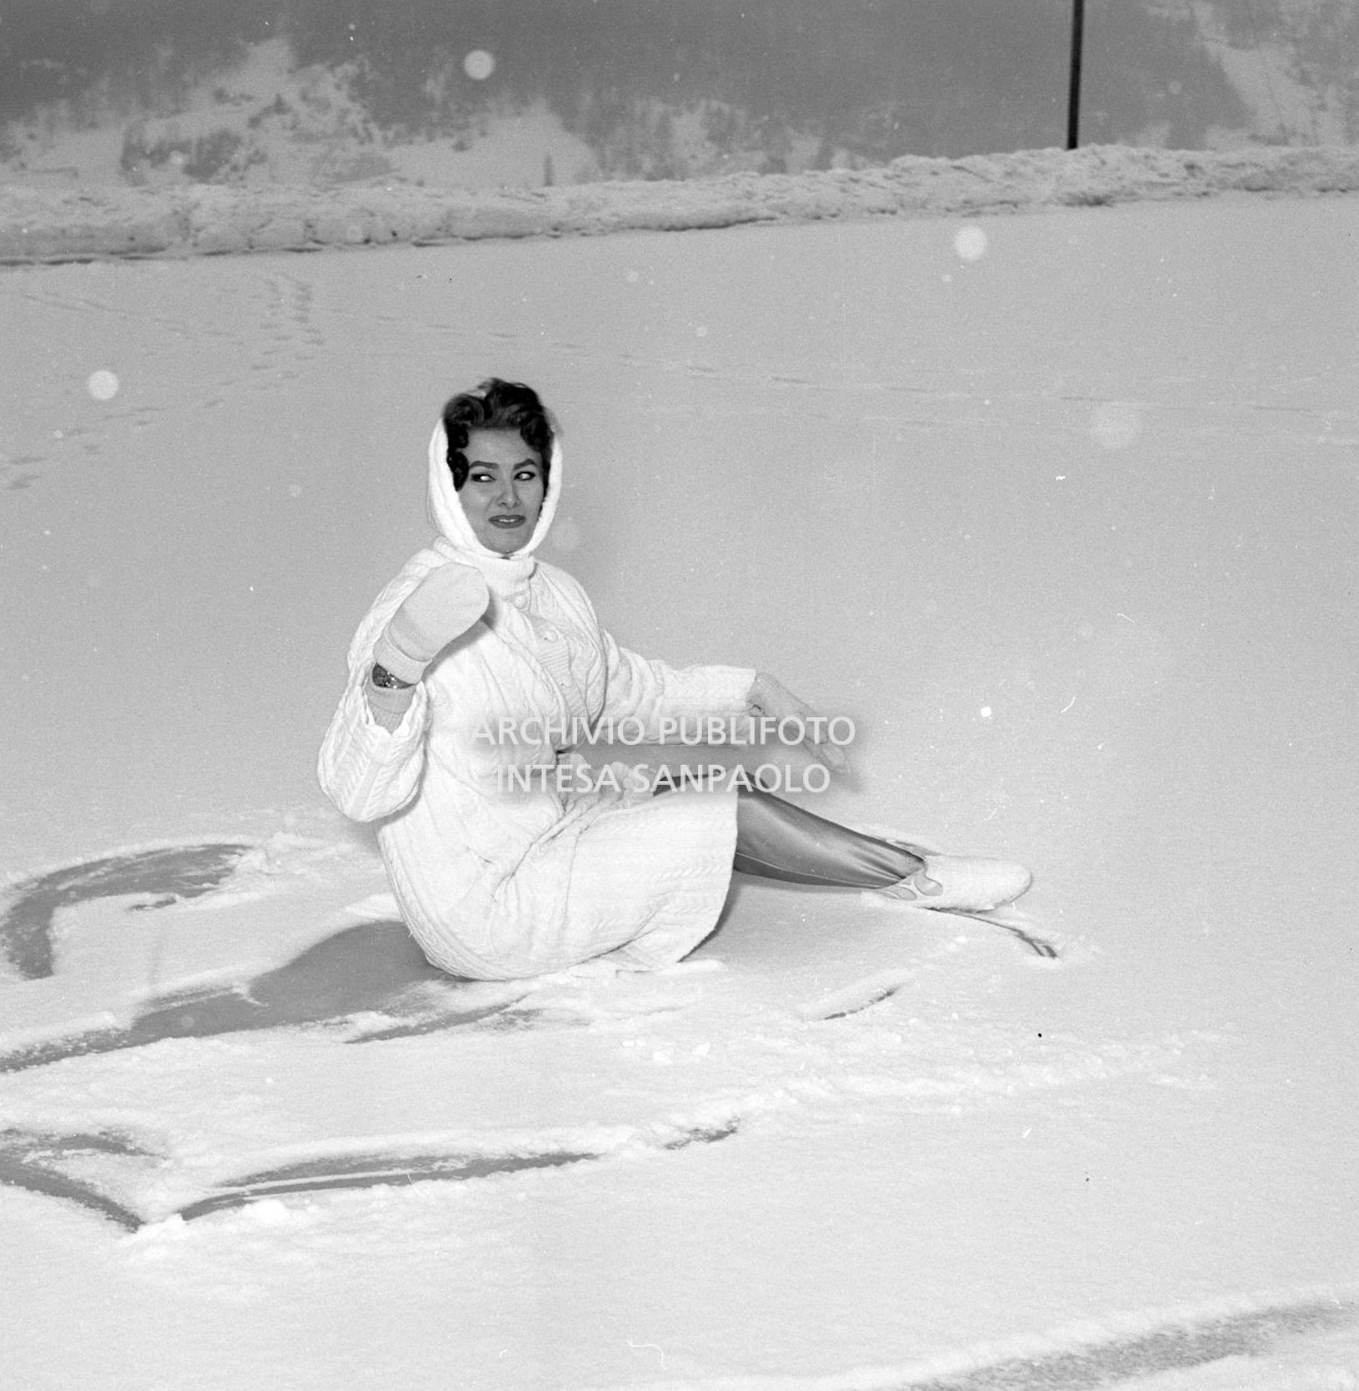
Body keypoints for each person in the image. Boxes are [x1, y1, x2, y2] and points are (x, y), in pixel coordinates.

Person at [318, 379, 1031, 982]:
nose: (507, 496)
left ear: (548, 483)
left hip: (555, 833)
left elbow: (623, 690)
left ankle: (892, 869)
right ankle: (915, 875)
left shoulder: (551, 592)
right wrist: (396, 665)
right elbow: (357, 792)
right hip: (483, 908)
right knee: (722, 808)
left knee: (689, 783)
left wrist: (756, 689)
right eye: (482, 476)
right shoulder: (414, 607)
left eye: (525, 474)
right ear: (448, 488)